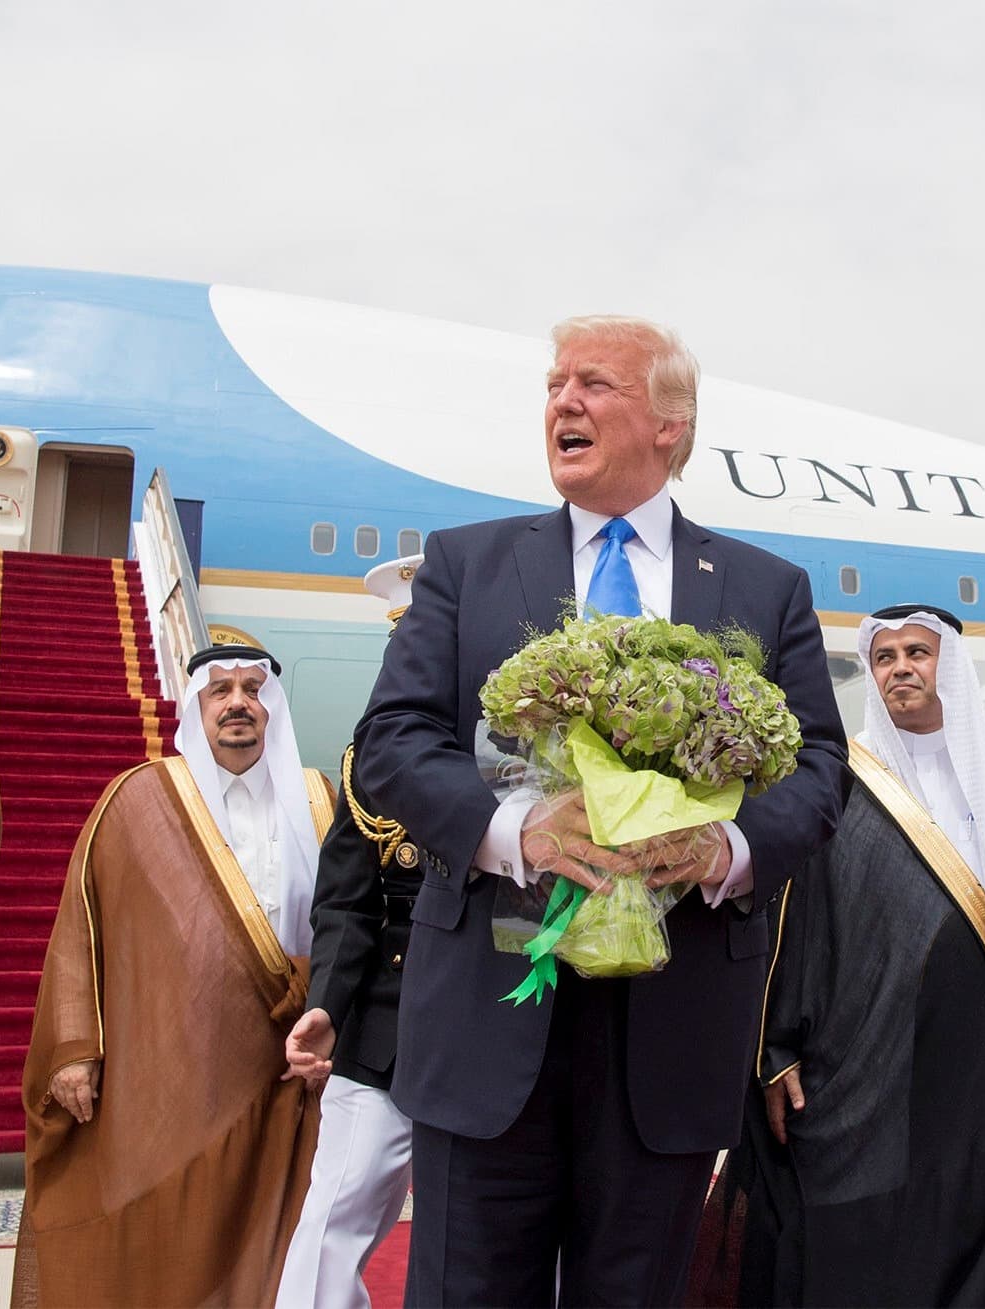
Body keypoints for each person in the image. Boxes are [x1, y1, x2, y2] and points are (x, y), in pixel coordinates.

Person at [352, 315, 848, 1305]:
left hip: (672, 1029)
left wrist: (726, 845)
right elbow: (393, 742)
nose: (561, 402)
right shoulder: (465, 564)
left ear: (670, 423)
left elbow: (820, 768)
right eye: (552, 385)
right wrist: (513, 833)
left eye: (592, 384)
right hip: (492, 1015)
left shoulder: (764, 588)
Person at [691, 605, 985, 1307]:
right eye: (883, 657)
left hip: (973, 1046)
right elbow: (788, 921)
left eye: (917, 651)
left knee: (967, 1205)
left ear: (951, 663)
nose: (900, 668)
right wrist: (776, 1052)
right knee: (856, 1215)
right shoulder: (843, 779)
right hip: (855, 1050)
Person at [17, 644, 333, 1307]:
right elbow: (82, 924)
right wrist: (77, 1050)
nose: (238, 702)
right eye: (219, 690)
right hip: (170, 1064)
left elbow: (350, 922)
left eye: (252, 689)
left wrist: (329, 1008)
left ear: (270, 705)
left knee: (279, 1229)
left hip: (288, 1058)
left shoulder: (316, 797)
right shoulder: (139, 797)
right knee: (173, 1222)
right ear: (195, 706)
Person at [279, 556, 424, 1309]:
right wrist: (327, 1004)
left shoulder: (523, 752)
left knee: (482, 1235)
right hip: (382, 1026)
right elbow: (346, 902)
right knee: (331, 1221)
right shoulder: (367, 760)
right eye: (403, 644)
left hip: (494, 1031)